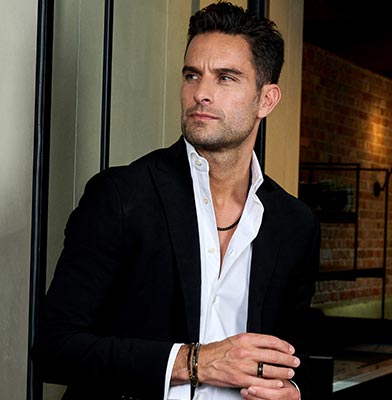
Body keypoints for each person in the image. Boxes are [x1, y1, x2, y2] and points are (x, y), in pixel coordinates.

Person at [34, 2, 320, 400]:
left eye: (225, 78)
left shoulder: (295, 222)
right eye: (192, 75)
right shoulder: (120, 195)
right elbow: (54, 349)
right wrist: (195, 361)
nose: (201, 93)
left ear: (266, 100)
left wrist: (292, 389)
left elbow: (295, 356)